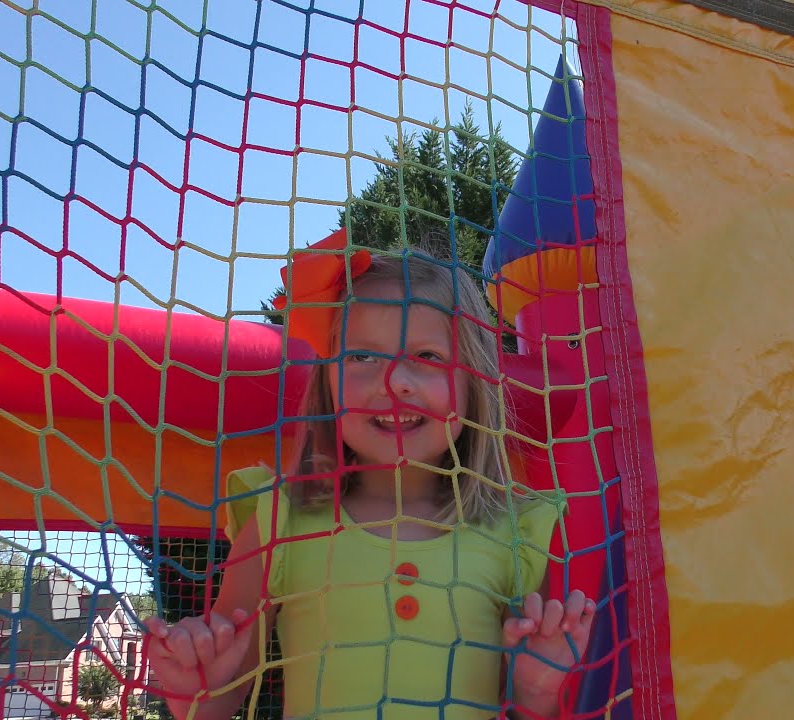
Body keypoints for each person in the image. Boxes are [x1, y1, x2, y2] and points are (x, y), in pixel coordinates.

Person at [143, 230, 595, 719]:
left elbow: (531, 709)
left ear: (473, 381)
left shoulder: (512, 534)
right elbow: (219, 697)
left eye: (427, 357)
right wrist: (194, 686)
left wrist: (538, 691)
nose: (394, 381)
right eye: (362, 356)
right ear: (328, 379)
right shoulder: (280, 522)